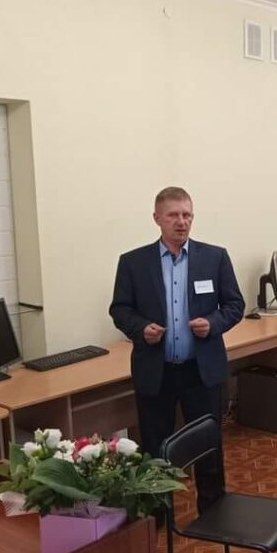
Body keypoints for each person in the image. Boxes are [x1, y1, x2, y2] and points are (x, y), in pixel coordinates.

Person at [109, 186, 245, 512]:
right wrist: (141, 328)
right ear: (157, 218)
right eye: (173, 215)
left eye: (187, 215)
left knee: (208, 444)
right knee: (155, 447)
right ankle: (159, 515)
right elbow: (120, 310)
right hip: (157, 371)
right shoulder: (133, 263)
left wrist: (212, 323)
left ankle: (213, 510)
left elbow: (235, 305)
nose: (181, 222)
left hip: (201, 371)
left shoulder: (215, 258)